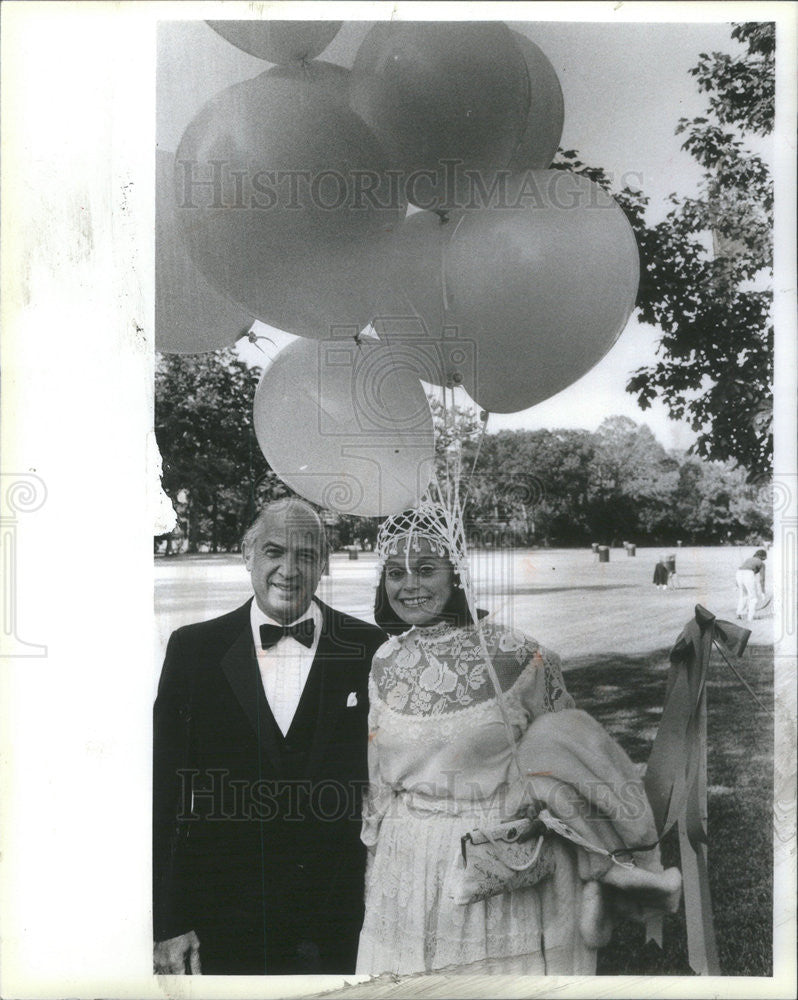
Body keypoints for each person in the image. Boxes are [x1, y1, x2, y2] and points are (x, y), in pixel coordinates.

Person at [356, 503, 681, 976]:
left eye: (426, 569)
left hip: (494, 860)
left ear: (457, 573)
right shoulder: (384, 660)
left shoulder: (520, 655)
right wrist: (375, 855)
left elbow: (568, 755)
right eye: (395, 572)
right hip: (404, 861)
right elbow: (378, 777)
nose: (410, 585)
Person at [153, 498, 386, 975]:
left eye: (306, 554)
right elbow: (164, 794)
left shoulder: (370, 648)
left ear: (324, 562)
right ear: (247, 554)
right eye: (274, 551)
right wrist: (168, 920)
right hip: (226, 921)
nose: (288, 568)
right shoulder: (194, 650)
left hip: (343, 920)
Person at [736, 547, 767, 621]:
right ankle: (750, 618)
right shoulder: (761, 563)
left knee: (743, 596)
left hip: (738, 574)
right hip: (748, 574)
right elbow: (762, 579)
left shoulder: (748, 559)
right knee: (753, 598)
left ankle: (739, 614)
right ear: (763, 557)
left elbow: (741, 569)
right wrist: (763, 592)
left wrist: (736, 584)